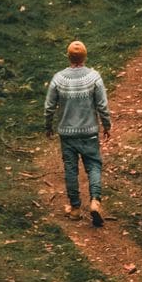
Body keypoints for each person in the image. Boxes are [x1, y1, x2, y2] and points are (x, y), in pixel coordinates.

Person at [44, 39, 111, 226]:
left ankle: (74, 209)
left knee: (71, 170)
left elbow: (49, 107)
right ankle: (95, 201)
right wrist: (107, 125)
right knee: (94, 166)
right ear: (85, 56)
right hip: (89, 133)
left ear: (69, 57)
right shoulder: (94, 77)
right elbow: (102, 106)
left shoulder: (58, 79)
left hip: (67, 135)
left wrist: (48, 126)